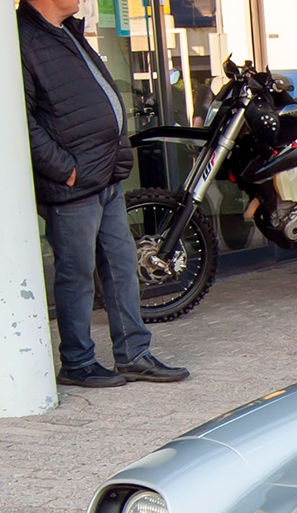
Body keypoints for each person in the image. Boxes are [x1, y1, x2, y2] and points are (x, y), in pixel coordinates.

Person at [18, 0, 188, 387]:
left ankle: (134, 354)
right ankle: (78, 363)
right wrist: (66, 170)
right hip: (73, 184)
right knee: (76, 275)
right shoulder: (22, 39)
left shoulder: (67, 31)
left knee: (121, 267)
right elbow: (21, 119)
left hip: (105, 176)